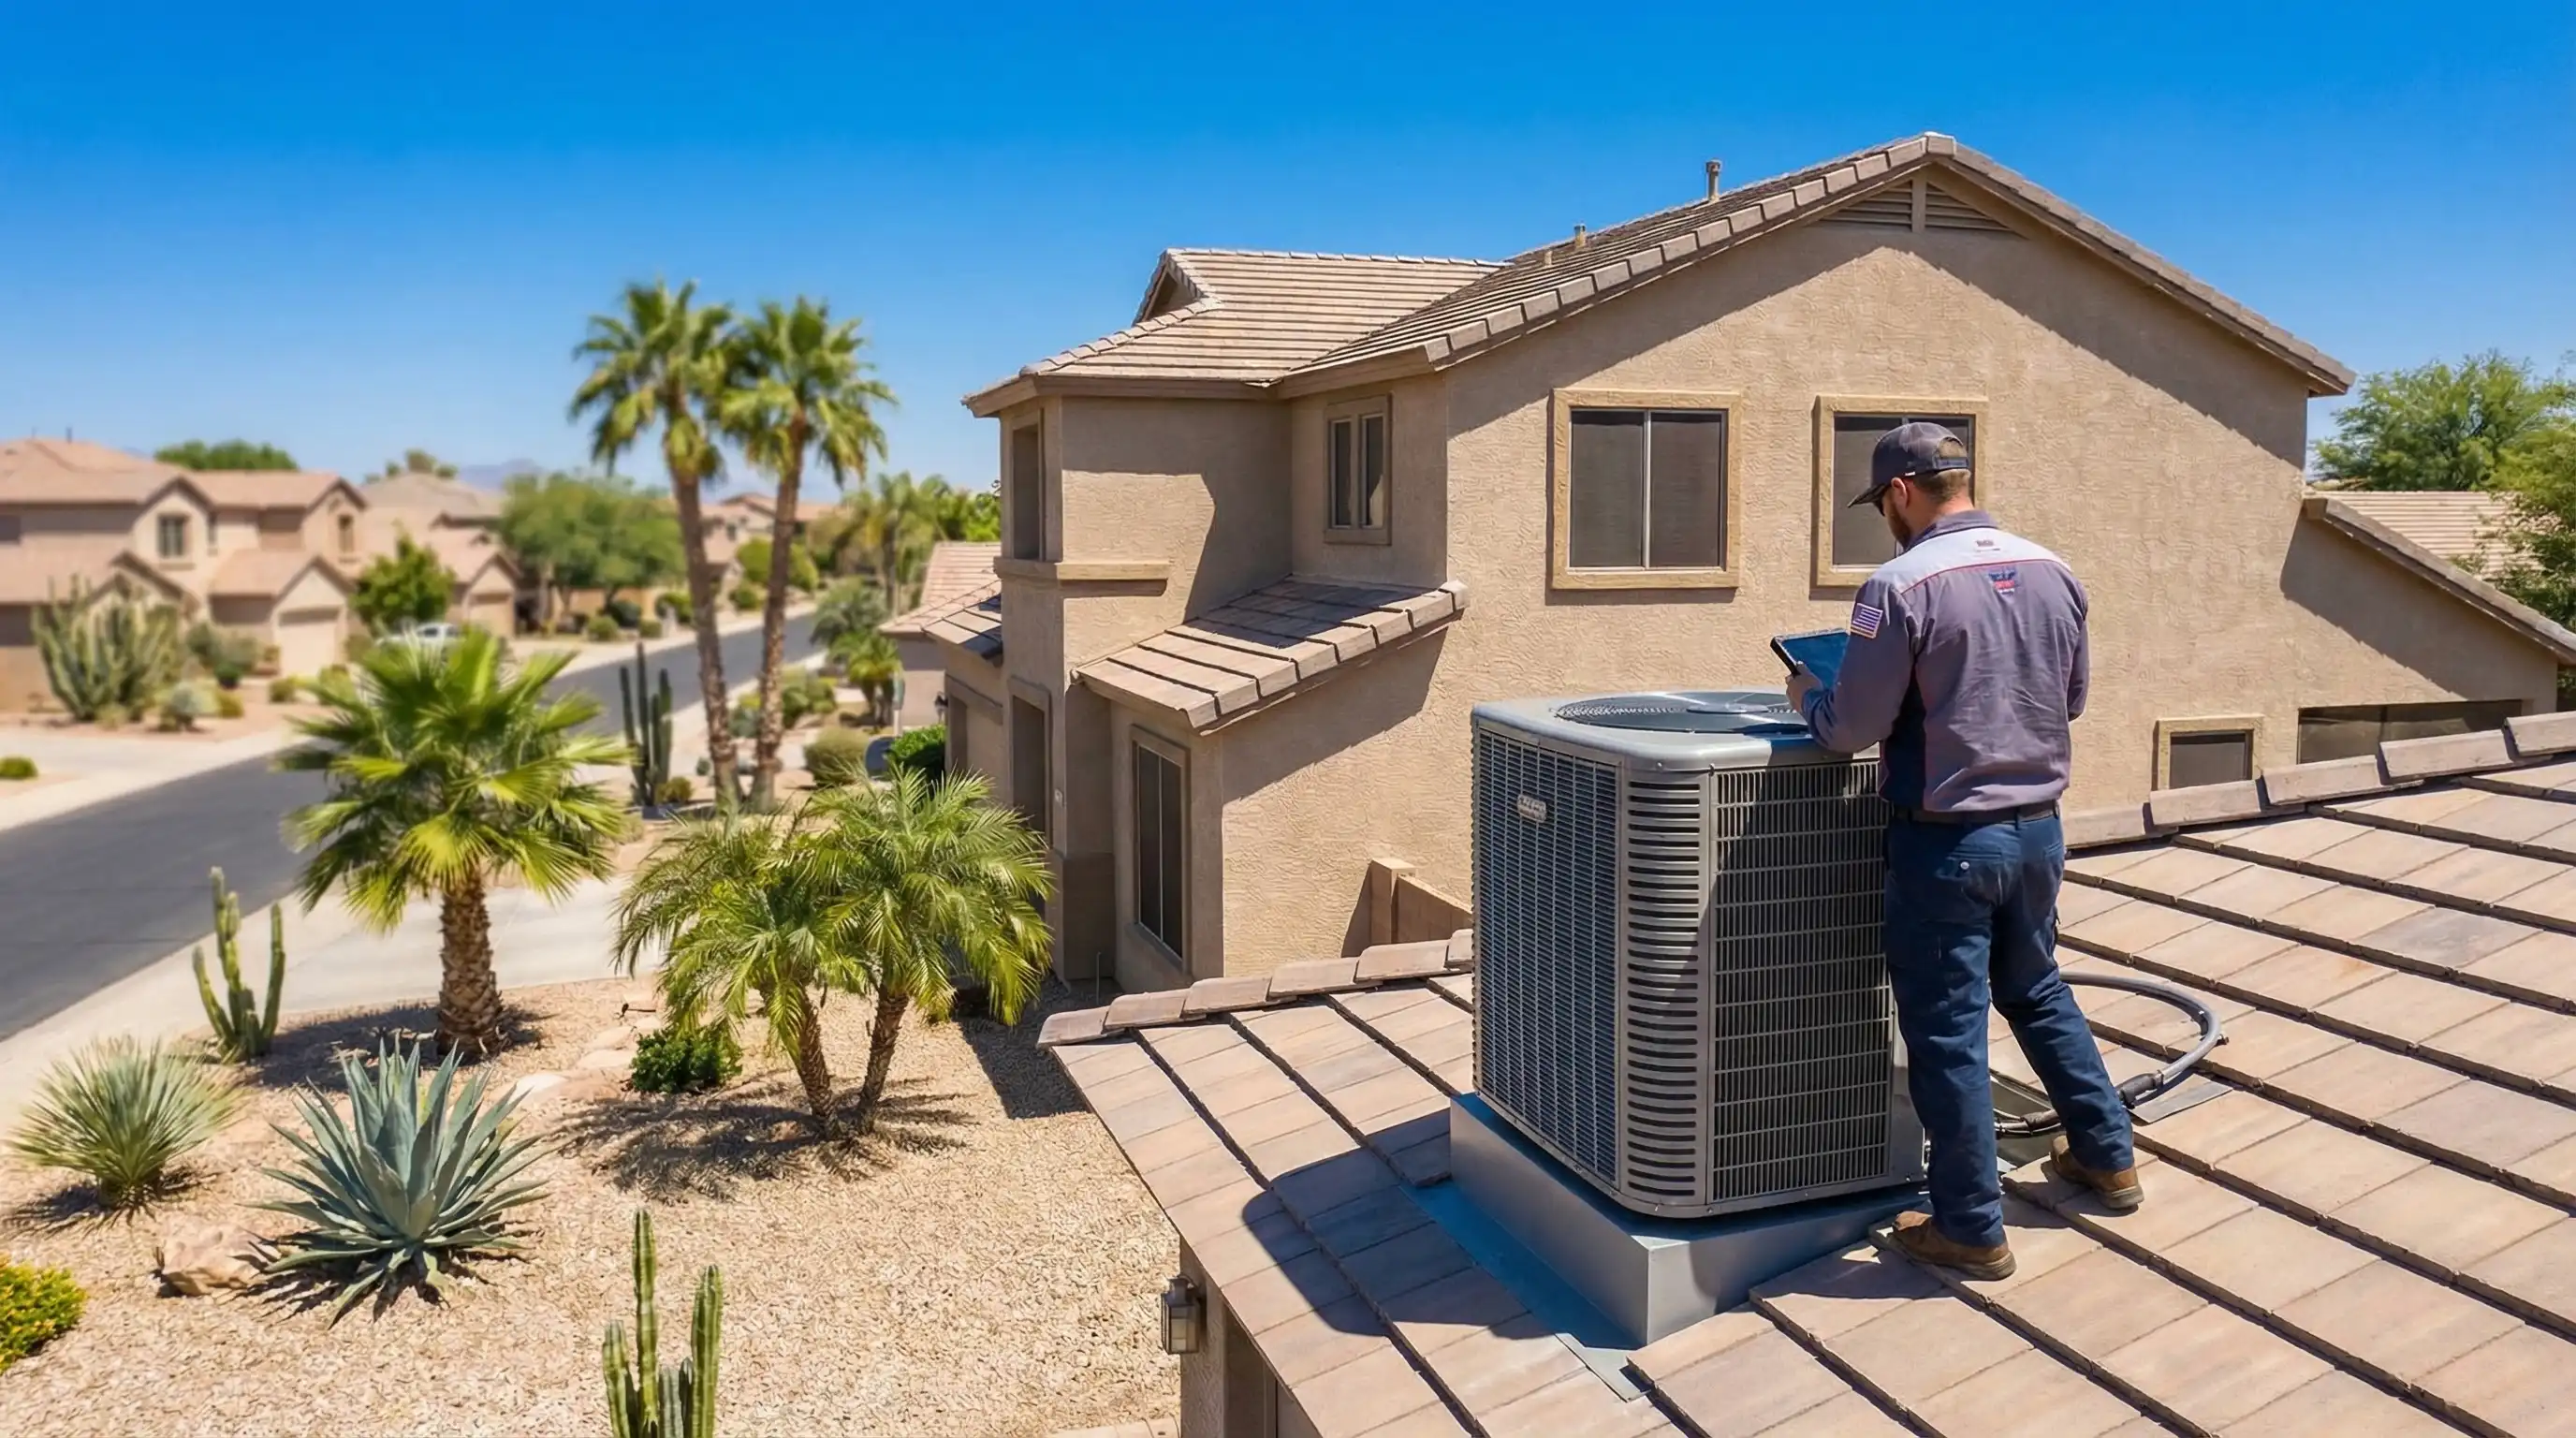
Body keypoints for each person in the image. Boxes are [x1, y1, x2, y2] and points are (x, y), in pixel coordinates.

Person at [1785, 421, 2140, 1282]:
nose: (1885, 522)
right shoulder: (2056, 570)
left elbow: (1855, 728)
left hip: (1947, 845)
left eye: (1883, 506)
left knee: (1947, 1034)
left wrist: (1809, 698)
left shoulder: (1898, 585)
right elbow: (2074, 698)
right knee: (2037, 989)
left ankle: (1971, 1226)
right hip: (2038, 831)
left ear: (1903, 492)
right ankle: (2107, 1156)